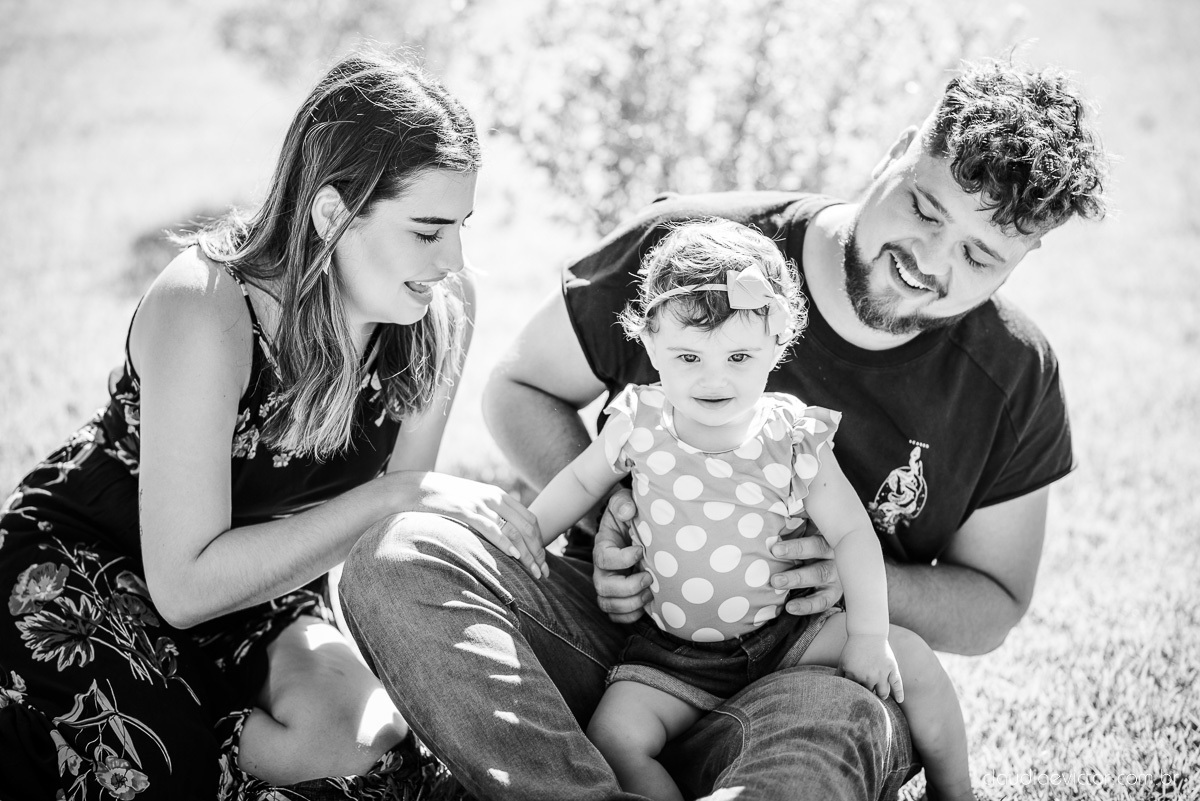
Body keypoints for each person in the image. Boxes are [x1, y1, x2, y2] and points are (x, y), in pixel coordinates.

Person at [339, 58, 1108, 799]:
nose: (928, 259)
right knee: (397, 556)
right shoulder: (695, 248)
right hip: (612, 633)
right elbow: (518, 388)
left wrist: (854, 583)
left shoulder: (1014, 376)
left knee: (836, 734)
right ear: (899, 151)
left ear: (1024, 257)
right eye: (924, 207)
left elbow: (995, 602)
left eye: (979, 254)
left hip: (809, 672)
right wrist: (618, 514)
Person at [0, 49, 529, 800]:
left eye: (461, 226)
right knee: (154, 762)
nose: (454, 258)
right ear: (330, 213)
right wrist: (390, 498)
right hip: (94, 558)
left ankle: (181, 728)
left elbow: (380, 545)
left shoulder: (440, 307)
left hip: (265, 586)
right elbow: (183, 586)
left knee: (362, 739)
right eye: (428, 230)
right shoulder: (206, 306)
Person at [522, 219, 971, 801]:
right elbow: (581, 481)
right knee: (613, 738)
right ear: (651, 343)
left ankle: (956, 790)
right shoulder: (641, 424)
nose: (714, 378)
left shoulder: (791, 437)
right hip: (674, 652)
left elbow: (853, 534)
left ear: (777, 345)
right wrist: (532, 530)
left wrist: (866, 633)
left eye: (739, 355)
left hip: (786, 634)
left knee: (912, 660)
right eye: (687, 356)